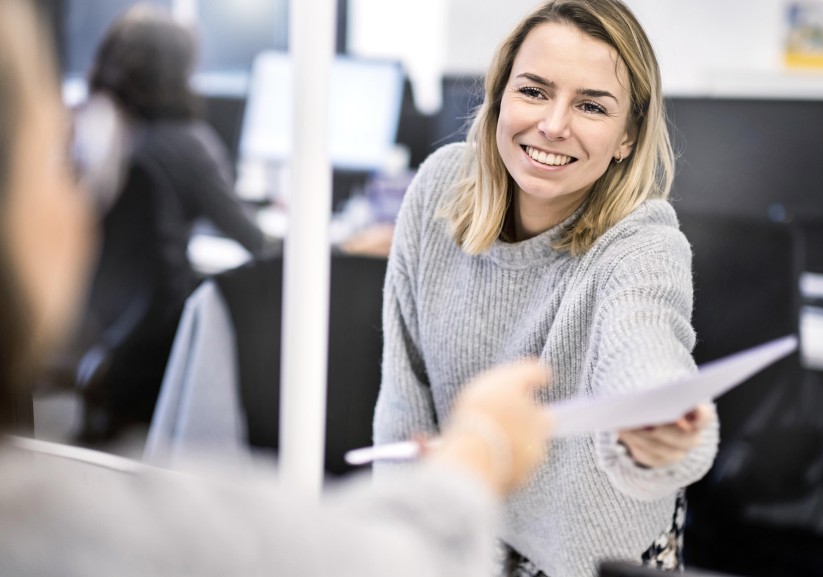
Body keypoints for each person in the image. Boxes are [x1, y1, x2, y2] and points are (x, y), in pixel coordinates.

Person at [0, 1, 554, 575]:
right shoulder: (132, 540)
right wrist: (481, 445)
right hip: (156, 349)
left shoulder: (137, 144)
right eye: (60, 162)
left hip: (118, 345)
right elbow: (388, 559)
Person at [372, 1, 719, 575]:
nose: (554, 124)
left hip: (588, 556)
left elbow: (647, 346)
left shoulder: (644, 242)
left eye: (590, 105)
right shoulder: (438, 188)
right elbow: (404, 398)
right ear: (499, 96)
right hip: (463, 533)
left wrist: (657, 426)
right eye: (533, 91)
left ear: (628, 136)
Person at [71, 4, 268, 442]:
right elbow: (255, 242)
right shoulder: (188, 144)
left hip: (92, 324)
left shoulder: (93, 136)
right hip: (159, 337)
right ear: (178, 73)